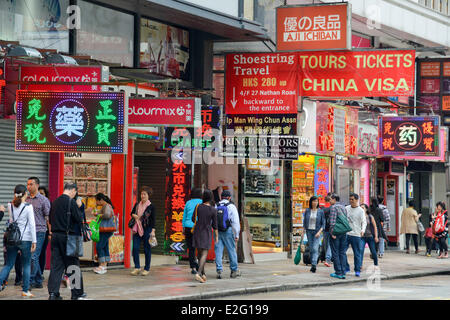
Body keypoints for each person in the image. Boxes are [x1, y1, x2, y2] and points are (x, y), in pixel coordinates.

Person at [47, 183, 85, 300]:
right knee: (73, 265)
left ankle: (53, 294)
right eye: (75, 192)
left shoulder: (55, 202)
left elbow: (50, 219)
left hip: (55, 236)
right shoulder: (71, 202)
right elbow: (79, 219)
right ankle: (76, 294)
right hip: (68, 237)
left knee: (56, 266)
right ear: (73, 190)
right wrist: (79, 207)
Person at [0, 184, 36, 298]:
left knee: (8, 264)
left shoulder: (10, 205)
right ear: (25, 194)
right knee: (26, 265)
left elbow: (11, 220)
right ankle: (25, 290)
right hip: (25, 239)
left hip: (12, 238)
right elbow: (32, 225)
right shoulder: (28, 207)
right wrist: (34, 241)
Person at [26, 177, 51, 289]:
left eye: (31, 184)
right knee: (32, 256)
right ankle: (38, 280)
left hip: (40, 231)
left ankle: (30, 280)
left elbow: (48, 216)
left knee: (33, 256)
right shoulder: (25, 199)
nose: (28, 186)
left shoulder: (43, 200)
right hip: (28, 232)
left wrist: (50, 232)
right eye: (27, 184)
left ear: (37, 185)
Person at [192, 189, 218, 283]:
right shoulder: (213, 209)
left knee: (199, 253)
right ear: (211, 197)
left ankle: (203, 274)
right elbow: (215, 225)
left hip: (197, 231)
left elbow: (192, 219)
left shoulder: (198, 206)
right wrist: (216, 236)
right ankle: (198, 273)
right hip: (206, 232)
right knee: (204, 253)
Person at [130, 187, 156, 276]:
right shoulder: (137, 204)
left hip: (147, 229)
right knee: (135, 248)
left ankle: (146, 268)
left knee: (147, 249)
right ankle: (137, 267)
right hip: (137, 228)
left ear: (148, 195)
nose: (142, 196)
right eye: (141, 194)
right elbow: (132, 213)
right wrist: (135, 216)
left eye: (145, 194)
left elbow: (153, 220)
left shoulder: (151, 206)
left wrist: (153, 231)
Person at [215, 190, 241, 279]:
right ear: (229, 197)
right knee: (231, 250)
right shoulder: (231, 206)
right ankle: (234, 270)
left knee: (218, 251)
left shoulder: (216, 205)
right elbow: (235, 222)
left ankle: (219, 270)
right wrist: (236, 234)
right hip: (228, 231)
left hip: (218, 231)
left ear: (221, 197)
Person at [344, 193, 367, 277]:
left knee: (357, 253)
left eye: (352, 199)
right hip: (346, 233)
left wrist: (362, 230)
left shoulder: (360, 210)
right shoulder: (346, 208)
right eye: (350, 199)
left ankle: (357, 270)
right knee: (342, 252)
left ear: (357, 200)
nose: (351, 201)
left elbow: (364, 222)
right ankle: (346, 267)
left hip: (356, 235)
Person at [93, 193, 115, 275]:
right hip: (106, 230)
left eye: (97, 201)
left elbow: (107, 215)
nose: (96, 203)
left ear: (101, 200)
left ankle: (102, 264)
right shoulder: (106, 206)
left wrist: (98, 215)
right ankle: (104, 265)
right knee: (105, 246)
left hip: (106, 230)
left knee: (99, 246)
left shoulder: (106, 206)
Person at [182, 188, 202, 274]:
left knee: (191, 248)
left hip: (188, 227)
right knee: (200, 247)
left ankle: (193, 268)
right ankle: (200, 266)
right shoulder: (202, 202)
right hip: (198, 227)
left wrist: (183, 228)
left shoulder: (188, 203)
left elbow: (184, 216)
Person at [303, 196, 326, 273]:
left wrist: (319, 232)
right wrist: (303, 231)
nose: (315, 203)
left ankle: (313, 265)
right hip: (309, 231)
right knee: (311, 248)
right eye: (313, 201)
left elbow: (323, 223)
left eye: (316, 201)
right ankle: (313, 262)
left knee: (315, 248)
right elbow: (305, 221)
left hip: (317, 232)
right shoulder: (307, 210)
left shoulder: (320, 211)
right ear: (311, 202)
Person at [328, 194, 348, 279]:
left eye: (330, 199)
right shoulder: (344, 207)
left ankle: (338, 272)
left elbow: (332, 222)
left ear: (334, 199)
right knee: (342, 252)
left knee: (335, 253)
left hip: (336, 232)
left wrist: (332, 233)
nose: (329, 201)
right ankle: (343, 272)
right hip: (343, 232)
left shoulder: (333, 208)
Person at [360, 204, 379, 268]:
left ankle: (376, 265)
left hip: (370, 236)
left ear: (366, 209)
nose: (361, 209)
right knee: (361, 251)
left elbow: (375, 227)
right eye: (360, 208)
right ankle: (360, 265)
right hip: (362, 237)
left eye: (363, 208)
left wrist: (376, 236)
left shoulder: (370, 217)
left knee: (373, 251)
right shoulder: (359, 217)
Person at [38, 186, 51, 278]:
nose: (40, 196)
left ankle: (40, 273)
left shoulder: (48, 204)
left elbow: (49, 220)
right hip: (35, 231)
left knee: (42, 252)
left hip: (45, 231)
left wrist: (50, 232)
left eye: (42, 193)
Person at [321, 193, 333, 267]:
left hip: (324, 228)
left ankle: (326, 258)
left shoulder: (322, 208)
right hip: (331, 228)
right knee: (330, 244)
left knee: (325, 244)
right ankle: (328, 259)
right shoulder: (332, 208)